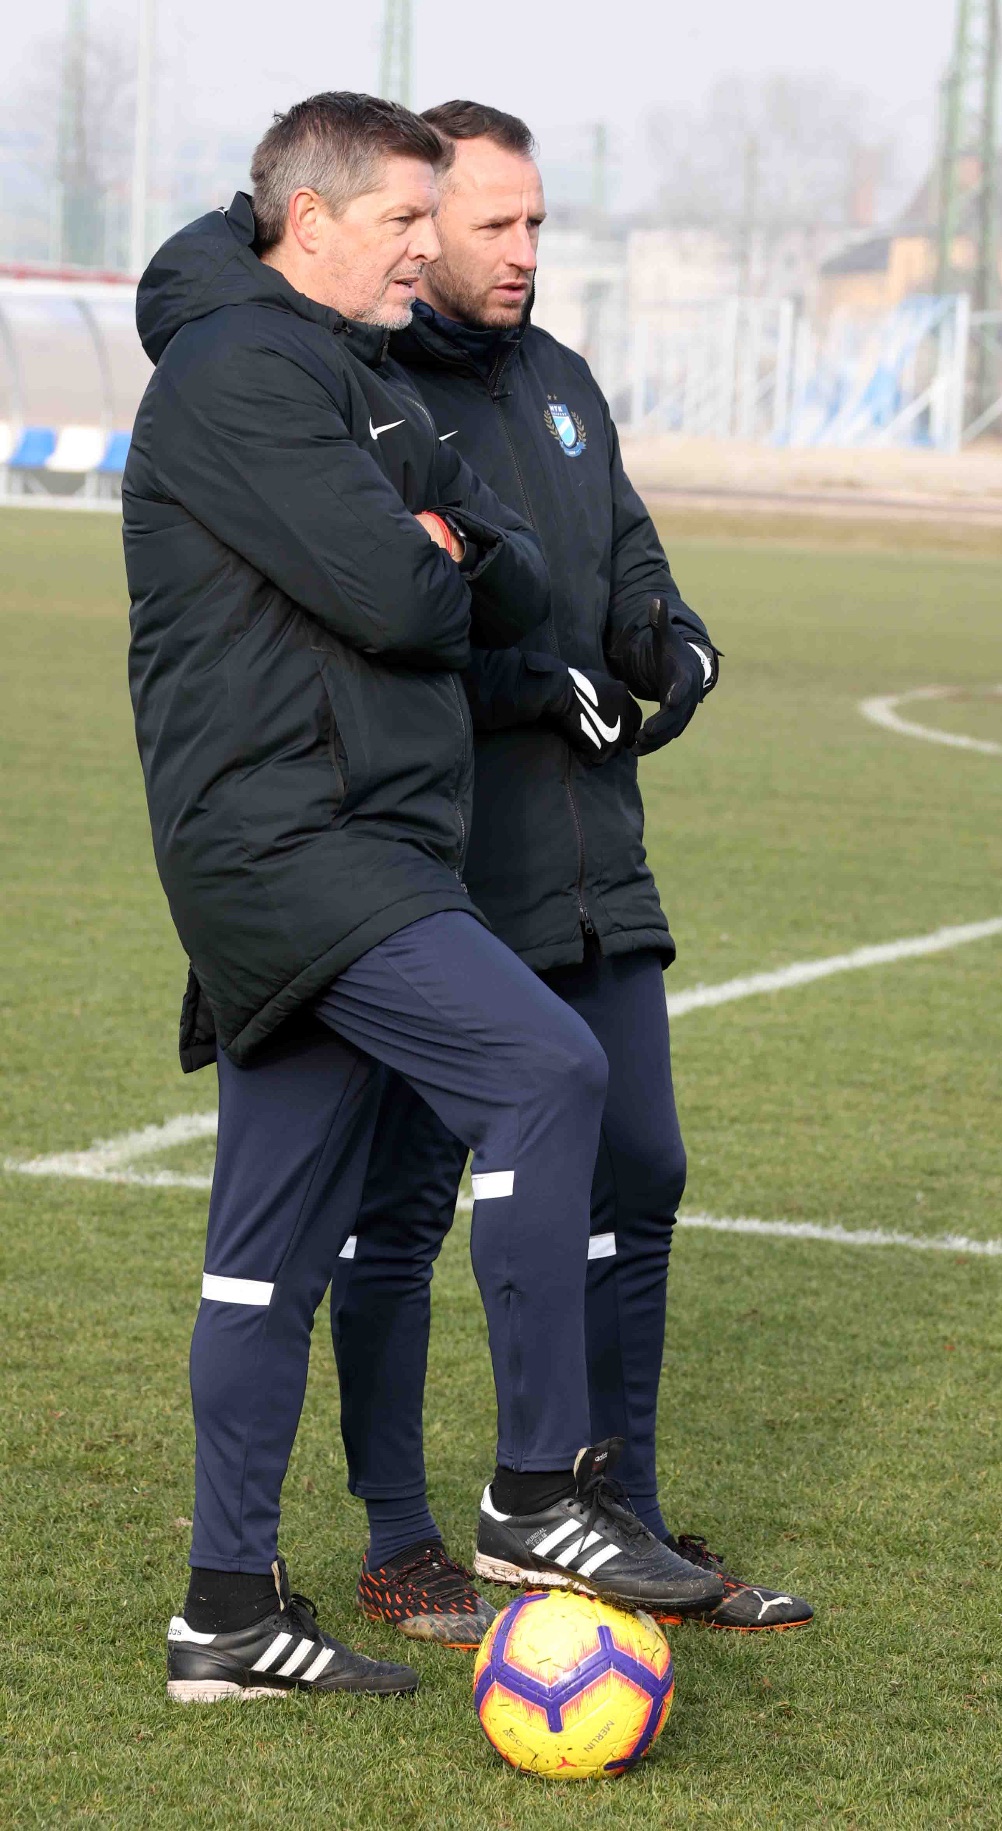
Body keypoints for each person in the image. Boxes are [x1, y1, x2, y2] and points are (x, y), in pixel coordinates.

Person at [125, 91, 723, 1705]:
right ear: (310, 221)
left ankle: (224, 1617)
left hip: (346, 840)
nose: (427, 245)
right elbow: (402, 594)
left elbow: (512, 567)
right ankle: (536, 1493)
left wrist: (448, 537)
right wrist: (439, 544)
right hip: (303, 846)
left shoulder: (355, 373)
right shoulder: (239, 371)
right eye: (407, 218)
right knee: (548, 1070)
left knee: (263, 1256)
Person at [329, 100, 813, 1646]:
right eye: (494, 223)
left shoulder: (562, 384)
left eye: (538, 222)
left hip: (600, 866)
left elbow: (627, 555)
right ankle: (402, 1545)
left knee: (641, 1171)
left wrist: (670, 638)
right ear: (419, 226)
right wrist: (538, 686)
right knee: (404, 1208)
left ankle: (624, 1516)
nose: (524, 249)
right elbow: (387, 637)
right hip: (444, 875)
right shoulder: (370, 393)